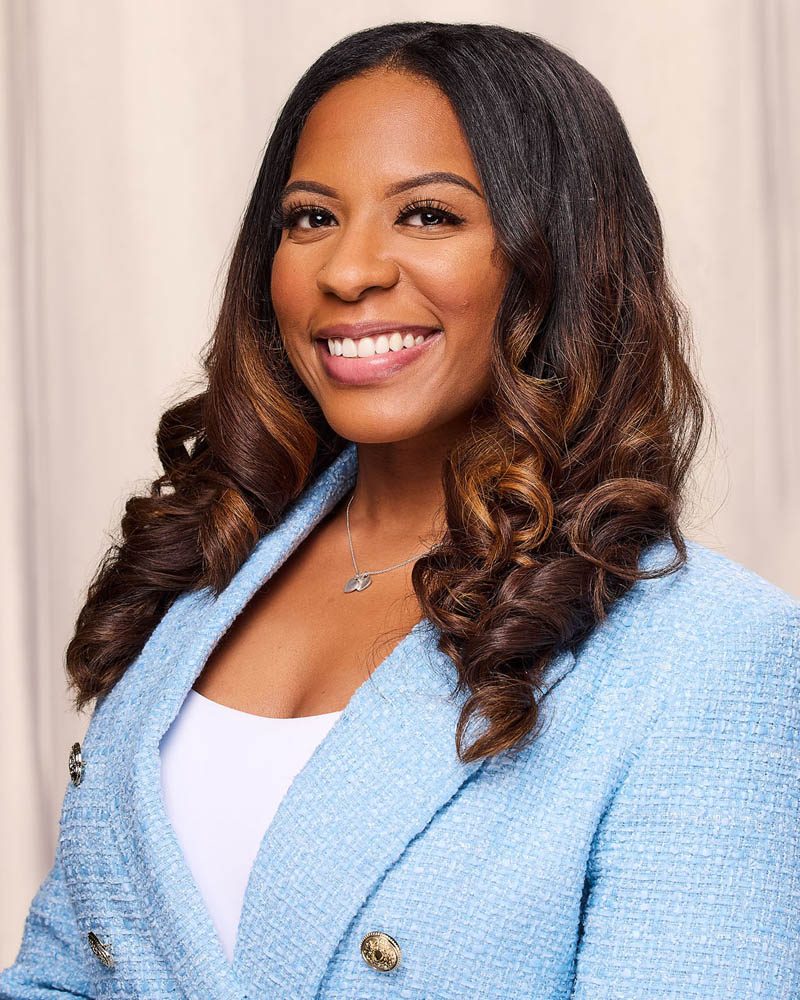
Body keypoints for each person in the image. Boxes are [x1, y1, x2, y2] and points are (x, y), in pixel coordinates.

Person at [2, 20, 798, 999]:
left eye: (425, 215)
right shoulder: (199, 581)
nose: (346, 271)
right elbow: (61, 975)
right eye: (308, 218)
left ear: (554, 257)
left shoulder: (707, 653)